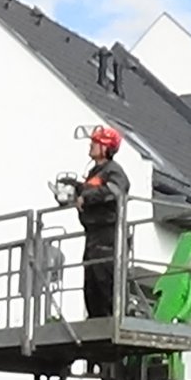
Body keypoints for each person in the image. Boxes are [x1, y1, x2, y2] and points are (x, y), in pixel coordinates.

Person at [74, 125, 128, 319]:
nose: (91, 145)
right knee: (91, 286)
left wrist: (87, 198)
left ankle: (110, 318)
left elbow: (115, 192)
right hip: (93, 236)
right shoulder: (94, 174)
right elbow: (91, 192)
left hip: (108, 236)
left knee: (105, 281)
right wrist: (76, 189)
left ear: (106, 148)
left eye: (96, 143)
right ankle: (95, 319)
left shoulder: (114, 171)